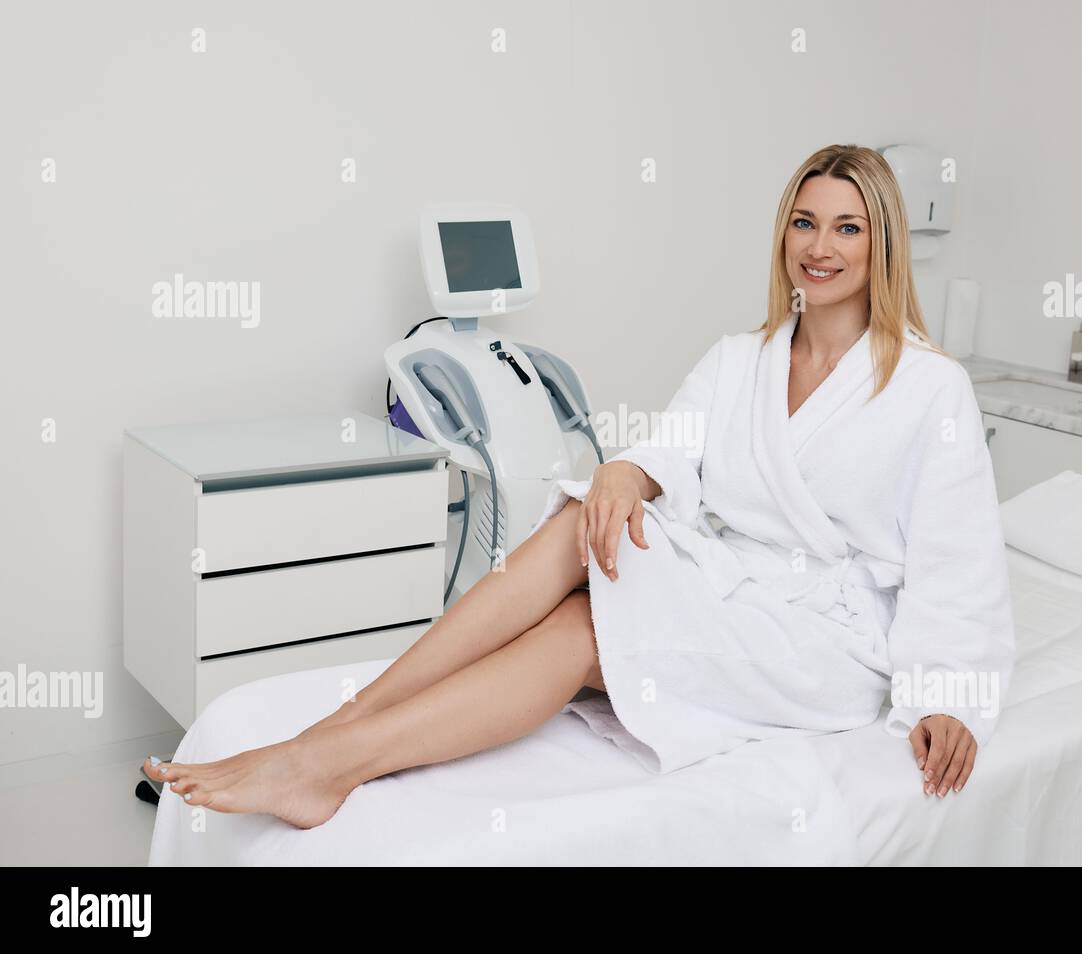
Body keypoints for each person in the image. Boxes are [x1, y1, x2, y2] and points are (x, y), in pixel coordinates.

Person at [143, 144, 1015, 829]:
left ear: (884, 243)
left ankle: (325, 764)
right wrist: (623, 472)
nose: (820, 247)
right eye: (804, 222)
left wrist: (948, 697)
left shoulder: (930, 386)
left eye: (848, 228)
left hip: (824, 647)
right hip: (731, 585)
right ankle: (341, 726)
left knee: (589, 633)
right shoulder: (740, 359)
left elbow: (957, 563)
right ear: (782, 234)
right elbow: (666, 451)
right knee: (580, 521)